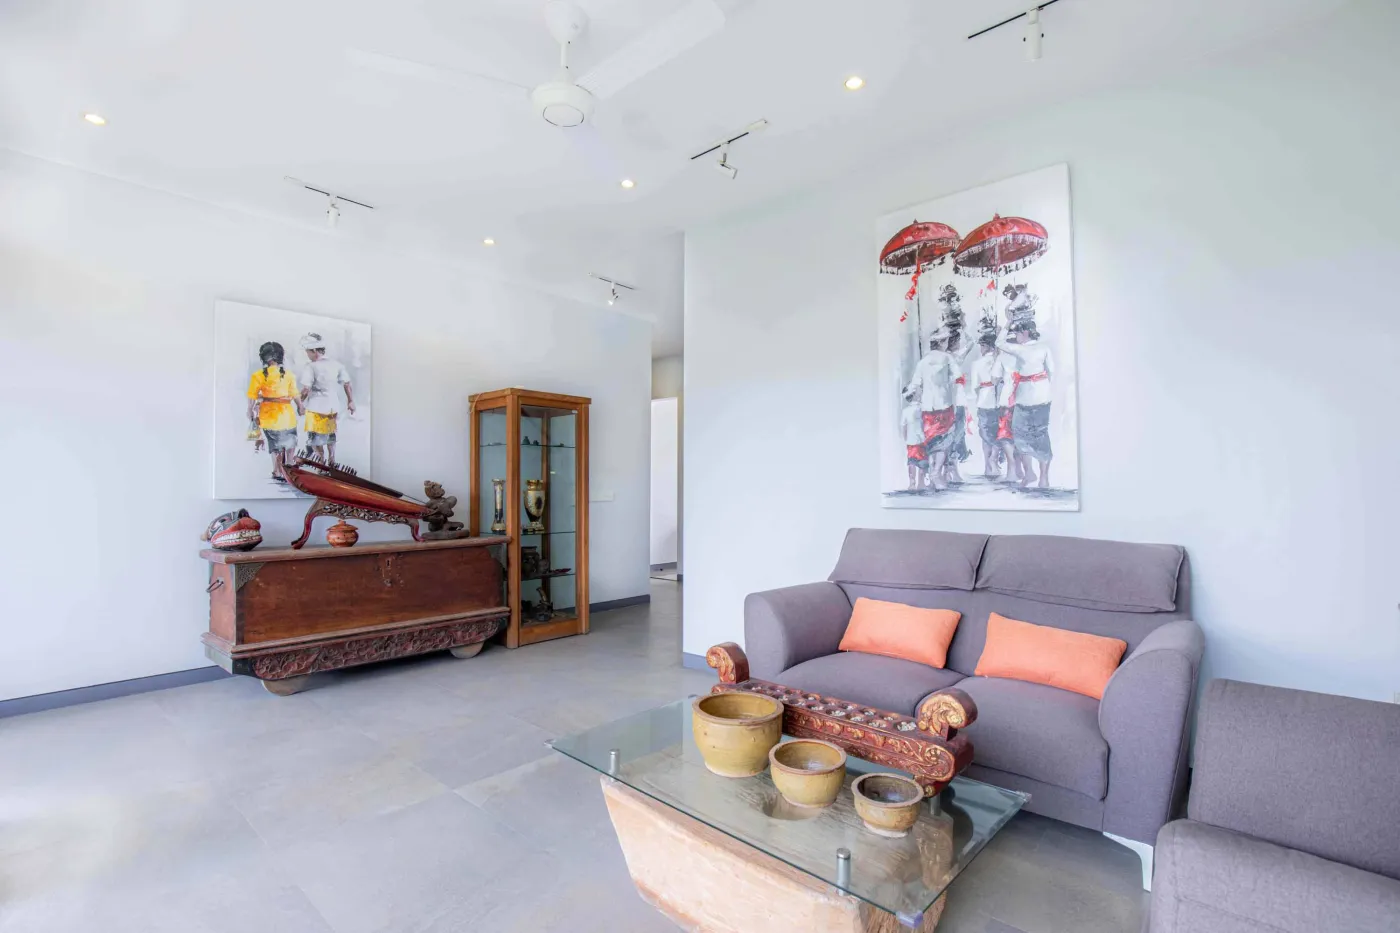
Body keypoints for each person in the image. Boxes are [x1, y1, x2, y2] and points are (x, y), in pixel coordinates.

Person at [996, 320, 1055, 488]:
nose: (1016, 337)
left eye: (1018, 333)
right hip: (1042, 397)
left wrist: (1007, 324)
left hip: (1024, 399)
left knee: (1021, 435)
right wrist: (1044, 389)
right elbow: (1052, 372)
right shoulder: (1044, 348)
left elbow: (999, 343)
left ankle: (1030, 473)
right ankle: (1043, 477)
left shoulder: (1020, 349)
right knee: (1040, 435)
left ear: (1026, 332)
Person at [907, 329, 961, 490]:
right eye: (945, 342)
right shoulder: (947, 358)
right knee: (943, 441)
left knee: (930, 440)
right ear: (942, 343)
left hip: (927, 407)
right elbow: (957, 376)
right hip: (944, 405)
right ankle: (936, 472)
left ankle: (932, 472)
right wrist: (945, 383)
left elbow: (915, 384)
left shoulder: (922, 362)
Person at [246, 342, 303, 483]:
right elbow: (295, 394)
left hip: (268, 415)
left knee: (275, 446)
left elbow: (252, 395)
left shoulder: (258, 375)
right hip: (287, 415)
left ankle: (278, 471)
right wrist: (301, 406)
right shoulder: (289, 375)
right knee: (290, 443)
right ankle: (289, 469)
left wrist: (250, 410)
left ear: (264, 358)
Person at [297, 333, 355, 463]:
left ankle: (321, 462)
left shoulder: (310, 367)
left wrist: (300, 403)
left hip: (315, 407)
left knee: (315, 438)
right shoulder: (336, 365)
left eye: (307, 352)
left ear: (314, 351)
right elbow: (347, 384)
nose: (307, 355)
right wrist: (350, 401)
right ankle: (332, 461)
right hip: (331, 406)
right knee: (330, 435)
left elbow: (306, 389)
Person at [969, 331, 1006, 479]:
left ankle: (987, 466)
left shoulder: (977, 364)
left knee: (985, 436)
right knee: (999, 432)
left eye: (982, 346)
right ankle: (994, 459)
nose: (980, 348)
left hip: (984, 402)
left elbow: (974, 387)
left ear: (986, 346)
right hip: (1000, 401)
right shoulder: (1001, 360)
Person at [899, 387, 927, 491]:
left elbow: (903, 426)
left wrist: (905, 438)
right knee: (922, 462)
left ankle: (912, 482)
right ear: (915, 395)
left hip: (911, 440)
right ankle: (921, 482)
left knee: (911, 461)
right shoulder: (922, 408)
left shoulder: (905, 411)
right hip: (922, 439)